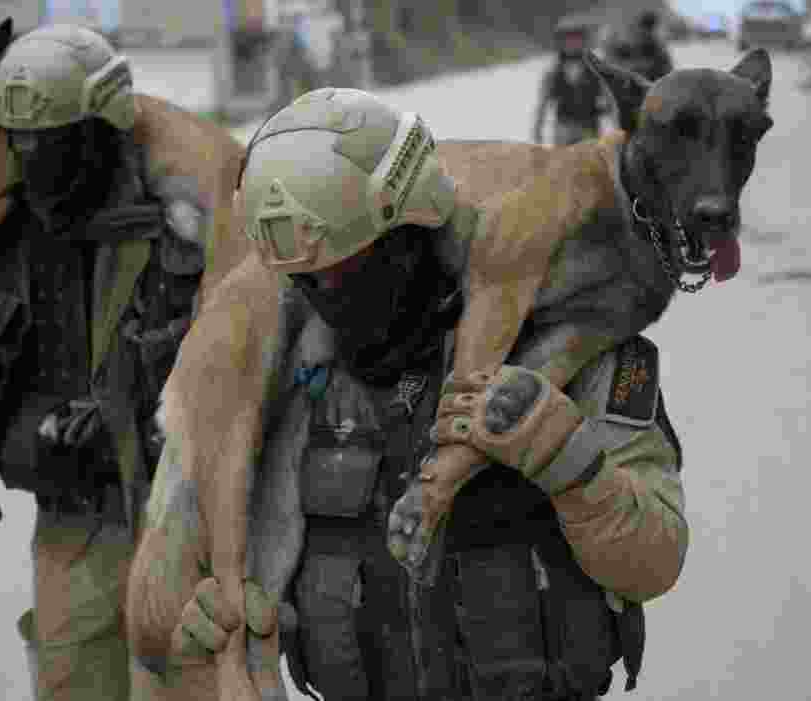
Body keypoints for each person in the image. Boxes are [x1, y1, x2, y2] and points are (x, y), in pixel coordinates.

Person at [163, 89, 688, 700]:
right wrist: (215, 623)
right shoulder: (297, 379)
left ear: (411, 230)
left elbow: (654, 559)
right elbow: (241, 580)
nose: (322, 297)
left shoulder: (569, 345)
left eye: (339, 265)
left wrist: (565, 457)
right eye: (301, 278)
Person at [0, 25, 216, 700]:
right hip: (70, 527)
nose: (33, 157)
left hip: (173, 520)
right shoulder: (13, 231)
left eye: (50, 137)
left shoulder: (176, 225)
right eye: (21, 138)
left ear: (98, 129)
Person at [532, 19, 607, 145]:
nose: (572, 43)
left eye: (577, 38)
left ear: (585, 41)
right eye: (568, 39)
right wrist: (537, 132)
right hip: (563, 128)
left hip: (589, 127)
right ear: (560, 43)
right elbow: (542, 105)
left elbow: (612, 101)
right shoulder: (553, 73)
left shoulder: (597, 71)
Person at [604, 11, 673, 130]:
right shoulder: (623, 49)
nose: (645, 33)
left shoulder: (658, 51)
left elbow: (667, 77)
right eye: (644, 29)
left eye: (650, 29)